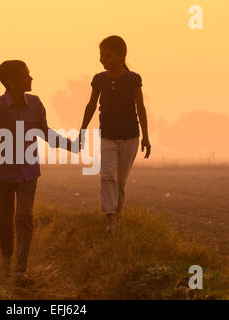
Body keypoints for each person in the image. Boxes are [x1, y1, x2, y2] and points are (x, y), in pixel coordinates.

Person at [0, 60, 75, 286]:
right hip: (2, 172)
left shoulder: (36, 104)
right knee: (4, 218)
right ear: (11, 81)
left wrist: (70, 145)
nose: (31, 78)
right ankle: (6, 260)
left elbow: (45, 132)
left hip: (28, 171)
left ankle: (20, 270)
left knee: (24, 217)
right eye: (26, 75)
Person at [79, 35, 151, 232]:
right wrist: (82, 131)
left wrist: (146, 136)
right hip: (107, 136)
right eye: (101, 55)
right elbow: (91, 105)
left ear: (122, 56)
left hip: (130, 136)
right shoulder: (99, 79)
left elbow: (141, 108)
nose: (104, 60)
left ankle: (116, 213)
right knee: (107, 175)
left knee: (120, 180)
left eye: (108, 56)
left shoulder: (133, 79)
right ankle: (110, 217)